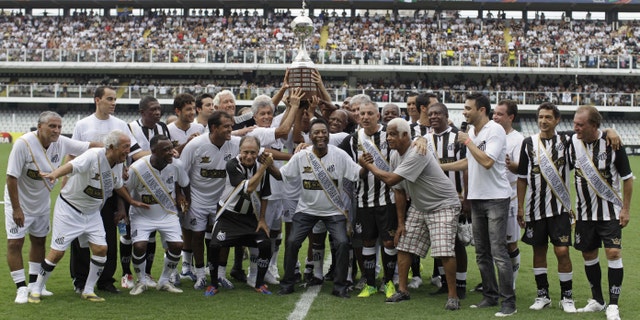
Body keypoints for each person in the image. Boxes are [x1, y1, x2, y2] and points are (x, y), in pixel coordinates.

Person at [28, 130, 148, 303]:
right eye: (125, 146)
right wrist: (55, 174)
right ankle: (37, 289)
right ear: (112, 147)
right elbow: (72, 166)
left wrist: (131, 200)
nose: (128, 151)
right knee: (57, 252)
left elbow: (117, 185)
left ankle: (89, 290)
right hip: (70, 209)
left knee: (101, 249)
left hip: (92, 213)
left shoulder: (119, 163)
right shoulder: (93, 155)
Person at [358, 118, 461, 310]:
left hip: (443, 205)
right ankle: (403, 290)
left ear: (406, 135)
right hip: (420, 206)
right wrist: (400, 224)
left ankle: (453, 296)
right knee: (404, 246)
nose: (388, 138)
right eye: (388, 133)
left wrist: (368, 166)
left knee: (444, 250)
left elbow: (391, 179)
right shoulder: (396, 156)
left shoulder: (417, 152)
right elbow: (398, 190)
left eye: (393, 134)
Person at [440, 93, 516, 317]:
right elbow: (469, 161)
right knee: (482, 252)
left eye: (468, 108)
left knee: (498, 252)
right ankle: (490, 296)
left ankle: (508, 302)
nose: (464, 112)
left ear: (481, 110)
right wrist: (440, 167)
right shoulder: (472, 132)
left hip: (496, 198)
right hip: (477, 198)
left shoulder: (495, 130)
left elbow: (486, 161)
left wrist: (467, 141)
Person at [6, 111, 94, 304]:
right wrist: (16, 209)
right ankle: (20, 288)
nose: (56, 130)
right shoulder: (24, 144)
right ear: (40, 127)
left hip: (42, 203)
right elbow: (11, 177)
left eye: (59, 127)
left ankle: (35, 285)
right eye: (52, 126)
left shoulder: (62, 142)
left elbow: (89, 146)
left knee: (39, 241)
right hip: (19, 202)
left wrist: (117, 145)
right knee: (15, 243)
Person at [70, 86, 146, 295]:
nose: (113, 103)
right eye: (109, 99)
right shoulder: (82, 125)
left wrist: (125, 169)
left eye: (115, 99)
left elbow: (127, 156)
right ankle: (80, 279)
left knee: (108, 235)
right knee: (81, 237)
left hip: (110, 190)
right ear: (97, 100)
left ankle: (106, 280)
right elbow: (73, 154)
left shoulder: (121, 125)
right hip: (85, 190)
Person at [278, 118, 360, 298]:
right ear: (310, 136)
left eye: (324, 132)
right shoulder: (302, 155)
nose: (321, 135)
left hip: (334, 211)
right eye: (316, 132)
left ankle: (340, 286)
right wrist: (267, 166)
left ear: (328, 134)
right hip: (306, 210)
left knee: (342, 242)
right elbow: (282, 174)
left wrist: (368, 165)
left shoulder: (339, 155)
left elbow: (356, 173)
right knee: (292, 242)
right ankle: (287, 283)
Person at [569, 105, 632, 320]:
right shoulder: (572, 142)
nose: (575, 127)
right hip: (584, 214)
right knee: (589, 255)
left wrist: (625, 209)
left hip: (610, 213)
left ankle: (613, 305)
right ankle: (597, 300)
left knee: (613, 253)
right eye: (575, 123)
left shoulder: (613, 144)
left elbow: (628, 178)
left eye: (580, 124)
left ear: (594, 125)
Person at [516, 102, 576, 313]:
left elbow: (592, 132)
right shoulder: (528, 143)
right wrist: (520, 207)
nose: (543, 121)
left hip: (560, 209)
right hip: (534, 210)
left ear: (557, 120)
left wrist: (611, 131)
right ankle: (543, 295)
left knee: (562, 251)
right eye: (540, 117)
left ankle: (567, 297)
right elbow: (522, 178)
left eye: (548, 117)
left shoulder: (567, 141)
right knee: (539, 251)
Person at [339, 99, 398, 299]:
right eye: (362, 114)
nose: (365, 117)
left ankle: (389, 283)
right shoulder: (351, 140)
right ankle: (370, 284)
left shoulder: (390, 136)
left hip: (388, 200)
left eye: (369, 113)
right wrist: (363, 168)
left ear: (378, 115)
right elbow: (348, 171)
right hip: (363, 202)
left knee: (389, 243)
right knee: (367, 242)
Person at [207, 136, 282, 296]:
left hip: (251, 217)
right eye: (245, 152)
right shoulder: (232, 164)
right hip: (229, 215)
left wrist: (262, 219)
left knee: (265, 244)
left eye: (253, 153)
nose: (249, 156)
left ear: (258, 152)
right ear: (239, 151)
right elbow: (249, 188)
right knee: (214, 246)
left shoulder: (263, 166)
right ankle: (213, 284)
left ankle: (259, 283)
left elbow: (264, 195)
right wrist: (264, 167)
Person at [180, 111, 240, 291]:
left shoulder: (235, 144)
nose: (231, 130)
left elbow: (259, 151)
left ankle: (221, 275)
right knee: (197, 236)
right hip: (198, 199)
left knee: (223, 237)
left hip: (223, 200)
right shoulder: (196, 145)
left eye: (231, 126)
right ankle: (200, 275)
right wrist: (184, 197)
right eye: (226, 126)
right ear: (214, 128)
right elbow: (181, 173)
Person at [127, 135, 189, 295]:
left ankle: (164, 281)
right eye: (166, 149)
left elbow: (185, 184)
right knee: (140, 246)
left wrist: (185, 200)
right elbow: (124, 190)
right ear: (153, 151)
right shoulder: (137, 168)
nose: (171, 152)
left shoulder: (177, 165)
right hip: (142, 215)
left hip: (167, 213)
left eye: (171, 148)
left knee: (177, 246)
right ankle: (141, 281)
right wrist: (122, 210)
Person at [122, 96, 172, 289]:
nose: (157, 113)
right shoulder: (130, 127)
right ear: (142, 112)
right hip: (134, 184)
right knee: (128, 234)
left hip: (156, 185)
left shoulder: (163, 128)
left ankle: (148, 273)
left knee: (150, 232)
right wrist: (165, 152)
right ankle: (127, 274)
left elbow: (167, 151)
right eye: (153, 109)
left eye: (159, 109)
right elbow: (135, 154)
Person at [424, 103, 470, 299]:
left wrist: (466, 196)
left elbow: (468, 167)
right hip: (433, 200)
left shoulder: (457, 138)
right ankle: (444, 283)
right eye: (430, 114)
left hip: (455, 198)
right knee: (440, 242)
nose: (433, 117)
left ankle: (460, 284)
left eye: (437, 114)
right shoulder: (424, 139)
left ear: (446, 115)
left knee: (457, 242)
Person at [492, 100, 524, 291]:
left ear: (510, 117)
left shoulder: (518, 139)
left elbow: (522, 168)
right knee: (491, 243)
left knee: (510, 243)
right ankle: (492, 281)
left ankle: (510, 282)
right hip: (490, 195)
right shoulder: (489, 133)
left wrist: (508, 163)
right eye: (494, 113)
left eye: (500, 114)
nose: (495, 116)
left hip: (509, 195)